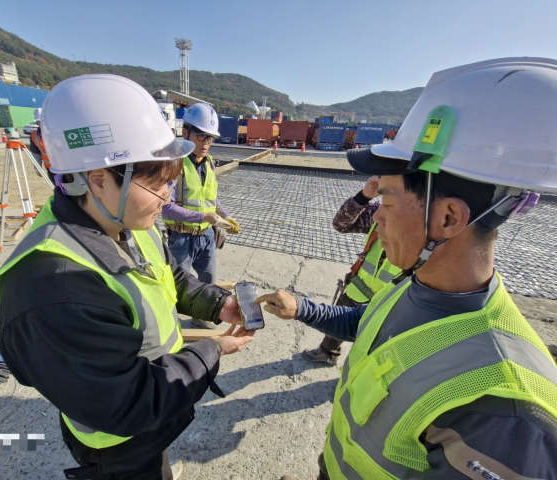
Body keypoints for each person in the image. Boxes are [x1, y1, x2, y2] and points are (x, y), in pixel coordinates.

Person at [258, 58, 557, 479]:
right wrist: (302, 308)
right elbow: (369, 323)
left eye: (390, 202)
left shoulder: (504, 413)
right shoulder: (418, 284)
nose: (376, 217)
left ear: (449, 219)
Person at [0, 75, 254, 480]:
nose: (168, 198)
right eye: (158, 184)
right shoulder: (55, 289)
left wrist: (218, 303)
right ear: (97, 179)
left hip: (154, 420)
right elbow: (129, 401)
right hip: (118, 442)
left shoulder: (129, 220)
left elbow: (170, 277)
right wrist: (213, 351)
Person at [303, 175, 401, 366]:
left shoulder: (424, 227)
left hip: (388, 301)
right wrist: (364, 197)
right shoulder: (378, 210)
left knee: (371, 344)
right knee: (336, 326)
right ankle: (328, 352)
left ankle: (357, 376)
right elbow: (341, 224)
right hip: (358, 287)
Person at [162, 103, 241, 329]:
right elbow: (165, 207)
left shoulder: (207, 162)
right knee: (179, 286)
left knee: (208, 281)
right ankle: (170, 325)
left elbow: (211, 199)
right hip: (181, 238)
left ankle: (200, 318)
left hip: (206, 237)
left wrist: (226, 216)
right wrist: (205, 217)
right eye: (201, 136)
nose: (206, 143)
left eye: (210, 138)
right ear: (185, 131)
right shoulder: (173, 162)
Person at [29, 107, 53, 182]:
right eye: (40, 122)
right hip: (51, 169)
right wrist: (38, 168)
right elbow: (36, 153)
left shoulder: (58, 133)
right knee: (58, 189)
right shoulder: (34, 135)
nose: (42, 124)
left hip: (66, 168)